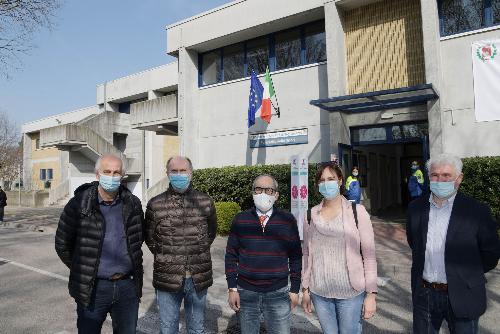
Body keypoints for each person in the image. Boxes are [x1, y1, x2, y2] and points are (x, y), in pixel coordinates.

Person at [407, 153, 500, 334]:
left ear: (459, 179)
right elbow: (415, 243)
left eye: (446, 175)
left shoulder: (477, 211)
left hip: (463, 293)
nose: (439, 180)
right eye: (434, 175)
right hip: (425, 293)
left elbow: (491, 252)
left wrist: (467, 274)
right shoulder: (415, 208)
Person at [55, 154, 144, 334]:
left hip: (127, 287)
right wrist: (83, 268)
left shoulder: (133, 204)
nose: (111, 176)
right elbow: (62, 244)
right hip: (93, 288)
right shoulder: (79, 204)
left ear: (122, 176)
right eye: (107, 171)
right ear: (97, 174)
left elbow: (137, 238)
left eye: (116, 172)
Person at [301, 162, 377, 334]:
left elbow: (369, 256)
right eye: (321, 180)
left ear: (340, 180)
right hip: (319, 293)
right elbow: (306, 254)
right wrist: (305, 290)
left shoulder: (358, 212)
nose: (326, 183)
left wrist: (371, 294)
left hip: (350, 293)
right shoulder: (310, 215)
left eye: (331, 179)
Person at [145, 156, 217, 334]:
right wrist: (168, 257)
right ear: (167, 174)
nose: (179, 175)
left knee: (196, 328)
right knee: (168, 328)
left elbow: (211, 234)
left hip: (197, 277)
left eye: (183, 171)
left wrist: (195, 253)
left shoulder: (205, 202)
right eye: (174, 171)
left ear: (191, 173)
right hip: (167, 276)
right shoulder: (156, 204)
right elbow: (150, 238)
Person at [225, 174, 302, 334]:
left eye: (269, 190)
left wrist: (295, 289)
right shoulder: (240, 220)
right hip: (246, 293)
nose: (263, 194)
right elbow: (231, 255)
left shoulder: (287, 220)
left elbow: (295, 256)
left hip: (278, 293)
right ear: (253, 193)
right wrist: (232, 288)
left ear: (276, 195)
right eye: (258, 189)